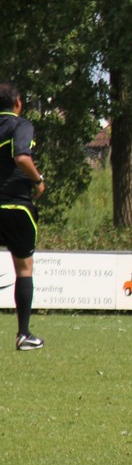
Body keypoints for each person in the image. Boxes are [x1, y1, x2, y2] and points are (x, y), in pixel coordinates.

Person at [0, 82, 45, 351]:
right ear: (18, 102)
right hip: (16, 206)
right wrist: (38, 180)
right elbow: (22, 158)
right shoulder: (21, 125)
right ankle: (24, 334)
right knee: (24, 269)